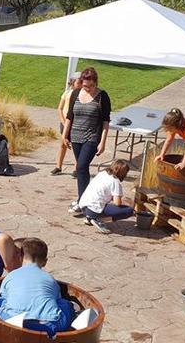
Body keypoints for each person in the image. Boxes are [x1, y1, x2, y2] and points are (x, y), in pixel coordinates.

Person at [0, 238, 74, 338]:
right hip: (50, 326)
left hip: (15, 322)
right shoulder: (51, 280)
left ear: (20, 257)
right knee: (65, 304)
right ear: (45, 262)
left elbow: (5, 297)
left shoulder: (10, 276)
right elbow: (57, 300)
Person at [64, 67, 112, 214]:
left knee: (81, 167)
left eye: (91, 86)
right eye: (85, 86)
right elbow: (69, 116)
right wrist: (64, 135)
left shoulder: (102, 96)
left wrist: (102, 142)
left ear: (95, 82)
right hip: (75, 136)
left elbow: (105, 121)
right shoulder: (76, 93)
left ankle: (83, 201)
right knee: (81, 169)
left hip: (91, 137)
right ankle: (85, 199)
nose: (88, 88)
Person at [76, 159, 134, 234]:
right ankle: (99, 220)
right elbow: (117, 203)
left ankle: (90, 218)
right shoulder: (115, 181)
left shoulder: (103, 173)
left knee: (102, 203)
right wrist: (129, 202)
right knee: (129, 211)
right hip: (94, 210)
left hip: (84, 206)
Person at [51, 73, 82, 176]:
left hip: (76, 124)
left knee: (77, 146)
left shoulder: (82, 95)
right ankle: (58, 166)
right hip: (65, 122)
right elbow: (60, 108)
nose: (81, 84)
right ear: (73, 83)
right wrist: (64, 122)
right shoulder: (67, 93)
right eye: (79, 82)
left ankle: (77, 168)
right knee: (63, 144)